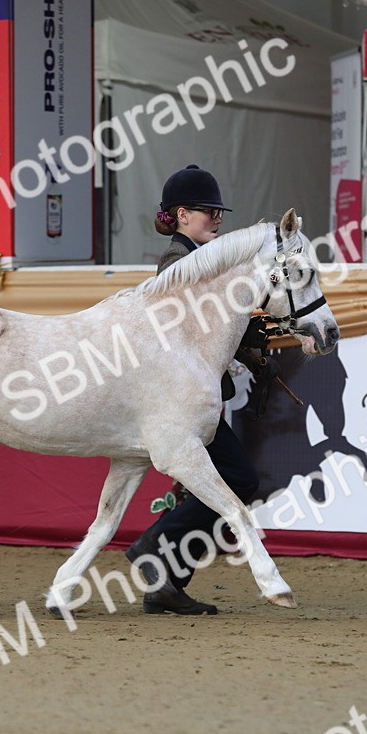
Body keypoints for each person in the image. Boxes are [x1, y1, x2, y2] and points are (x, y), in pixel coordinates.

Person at [125, 164, 277, 615]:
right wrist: (247, 337)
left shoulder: (205, 261)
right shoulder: (177, 263)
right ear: (182, 215)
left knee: (212, 485)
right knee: (238, 478)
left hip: (193, 397)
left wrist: (250, 345)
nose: (217, 218)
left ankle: (165, 585)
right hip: (176, 401)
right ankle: (154, 544)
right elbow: (199, 323)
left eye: (219, 212)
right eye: (208, 211)